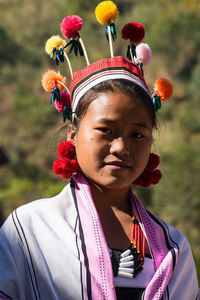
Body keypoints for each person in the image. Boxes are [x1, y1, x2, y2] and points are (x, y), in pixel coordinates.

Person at [0, 55, 199, 300]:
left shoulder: (174, 249)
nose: (121, 147)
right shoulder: (29, 230)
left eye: (137, 135)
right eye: (106, 130)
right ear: (73, 134)